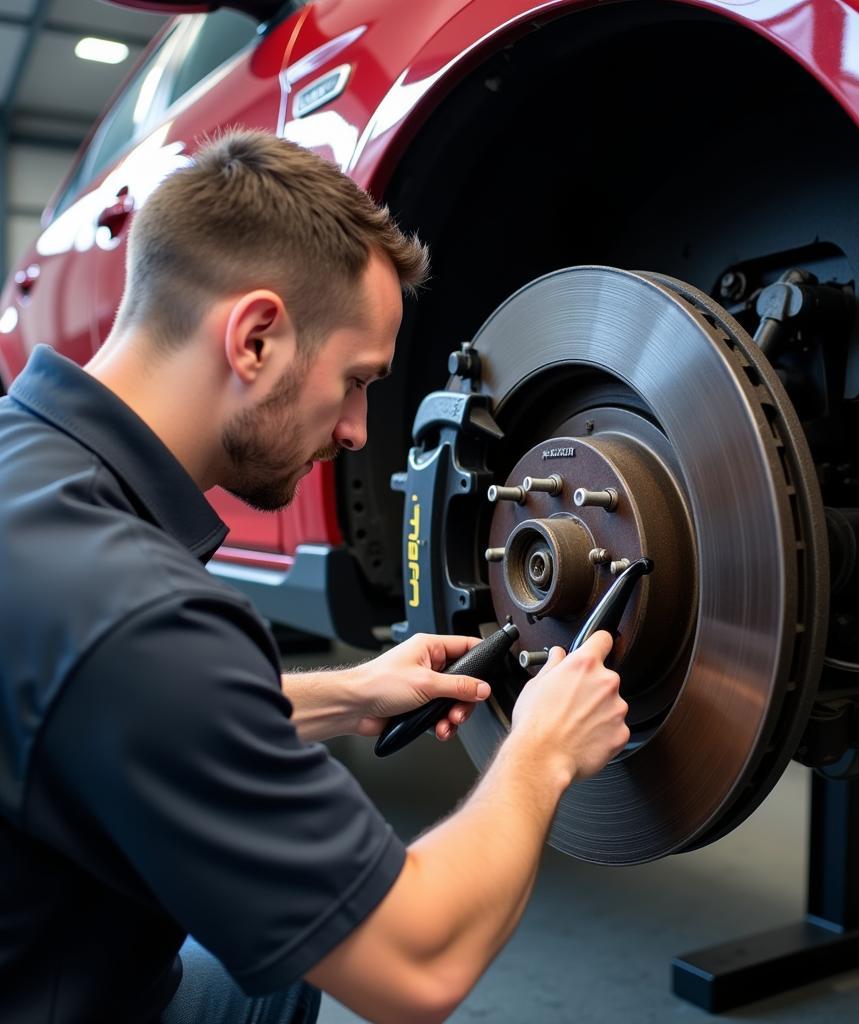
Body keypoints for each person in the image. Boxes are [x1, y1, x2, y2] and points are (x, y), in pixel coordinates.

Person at [0, 130, 630, 1023]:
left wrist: (349, 693)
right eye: (356, 381)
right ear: (255, 338)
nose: (358, 432)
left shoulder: (26, 472)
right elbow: (418, 967)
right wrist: (543, 752)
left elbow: (95, 702)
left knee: (286, 919)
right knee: (328, 921)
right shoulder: (131, 608)